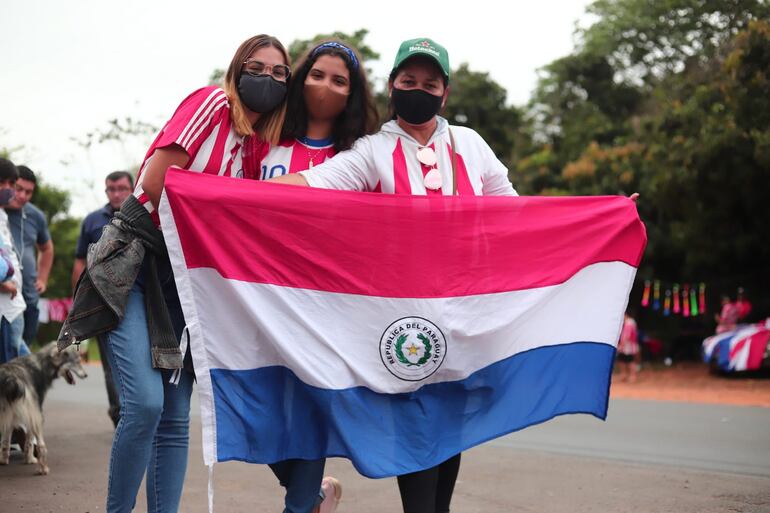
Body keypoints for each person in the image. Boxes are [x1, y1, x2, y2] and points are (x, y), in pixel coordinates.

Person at [271, 37, 517, 513]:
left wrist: (599, 217)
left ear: (445, 93)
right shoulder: (372, 151)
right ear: (391, 87)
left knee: (446, 434)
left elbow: (515, 213)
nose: (418, 90)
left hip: (464, 317)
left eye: (430, 83)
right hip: (403, 325)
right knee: (419, 430)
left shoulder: (471, 144)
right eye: (408, 82)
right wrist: (219, 191)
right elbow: (313, 185)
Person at [100, 34, 290, 513]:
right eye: (257, 67)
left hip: (188, 283)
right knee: (144, 405)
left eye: (279, 72)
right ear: (236, 69)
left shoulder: (255, 151)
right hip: (138, 262)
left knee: (174, 418)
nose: (267, 78)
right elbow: (154, 183)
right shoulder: (212, 103)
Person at [258, 39, 379, 513]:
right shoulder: (263, 142)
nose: (325, 86)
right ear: (299, 77)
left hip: (326, 307)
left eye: (339, 80)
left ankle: (301, 505)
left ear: (352, 94)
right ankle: (315, 494)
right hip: (259, 299)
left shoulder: (361, 157)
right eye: (316, 74)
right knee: (260, 416)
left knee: (309, 416)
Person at [70, 170, 134, 427]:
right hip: (101, 303)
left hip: (137, 300)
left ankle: (140, 414)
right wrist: (77, 304)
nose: (116, 193)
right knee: (111, 364)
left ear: (132, 188)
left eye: (121, 188)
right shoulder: (93, 221)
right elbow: (79, 264)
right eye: (111, 189)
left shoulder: (144, 217)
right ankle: (120, 416)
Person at [6, 165, 54, 348]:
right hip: (6, 292)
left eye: (29, 192)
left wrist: (42, 278)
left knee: (22, 347)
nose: (23, 196)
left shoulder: (36, 215)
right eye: (19, 189)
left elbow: (47, 248)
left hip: (28, 295)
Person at [0, 158, 29, 363]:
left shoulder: (2, 214)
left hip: (11, 305)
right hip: (6, 304)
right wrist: (3, 282)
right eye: (5, 183)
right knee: (15, 369)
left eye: (12, 184)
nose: (9, 189)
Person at [617, 312, 639, 383]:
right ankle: (624, 375)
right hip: (625, 345)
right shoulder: (627, 323)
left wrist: (622, 345)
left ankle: (633, 376)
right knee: (622, 359)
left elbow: (627, 335)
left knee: (630, 360)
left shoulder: (629, 323)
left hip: (628, 345)